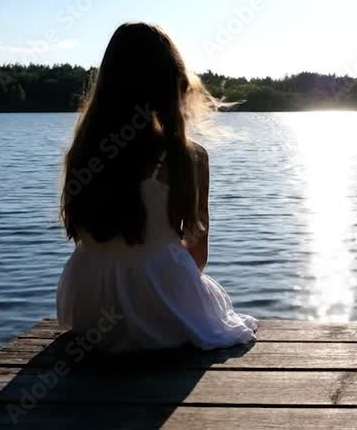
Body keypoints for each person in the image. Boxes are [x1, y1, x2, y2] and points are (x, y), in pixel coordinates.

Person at [56, 22, 257, 351]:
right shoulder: (188, 157)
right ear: (173, 83)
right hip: (161, 320)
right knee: (209, 304)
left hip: (88, 311)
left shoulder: (82, 154)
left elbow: (80, 234)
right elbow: (198, 256)